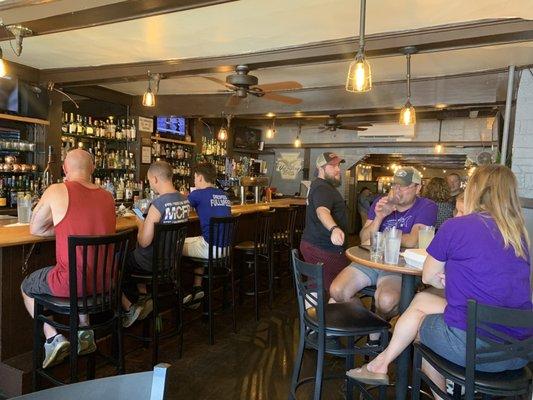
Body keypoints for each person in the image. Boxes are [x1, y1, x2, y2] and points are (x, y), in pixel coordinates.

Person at [347, 165, 532, 398]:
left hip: (475, 348)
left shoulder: (457, 226)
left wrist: (446, 279)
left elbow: (427, 276)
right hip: (519, 351)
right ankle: (379, 364)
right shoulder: (520, 234)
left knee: (418, 330)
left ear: (475, 190)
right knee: (422, 299)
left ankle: (434, 390)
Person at [21, 149, 116, 368]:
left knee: (27, 287)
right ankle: (84, 329)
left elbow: (35, 228)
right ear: (92, 168)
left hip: (71, 285)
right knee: (82, 269)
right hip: (106, 284)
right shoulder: (108, 196)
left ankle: (54, 338)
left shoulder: (57, 190)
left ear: (64, 169)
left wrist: (63, 228)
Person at [330, 166, 437, 345]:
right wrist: (379, 217)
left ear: (418, 188)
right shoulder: (381, 201)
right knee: (337, 291)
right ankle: (373, 326)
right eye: (395, 185)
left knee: (386, 302)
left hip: (398, 266)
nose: (397, 190)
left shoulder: (427, 206)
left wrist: (380, 237)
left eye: (404, 186)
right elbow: (364, 239)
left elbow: (412, 241)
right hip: (372, 261)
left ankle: (376, 330)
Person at [121, 161, 190, 327]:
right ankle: (145, 299)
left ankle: (131, 307)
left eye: (150, 181)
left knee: (115, 262)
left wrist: (139, 223)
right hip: (170, 263)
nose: (151, 184)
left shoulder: (158, 204)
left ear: (155, 179)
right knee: (131, 258)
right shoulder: (184, 200)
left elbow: (144, 242)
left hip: (150, 264)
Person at [182, 162, 231, 306]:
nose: (194, 181)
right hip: (226, 249)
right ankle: (197, 289)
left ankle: (181, 293)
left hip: (210, 248)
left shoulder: (197, 194)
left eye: (195, 178)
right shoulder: (224, 195)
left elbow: (180, 206)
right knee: (198, 240)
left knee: (174, 244)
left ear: (200, 177)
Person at [300, 152, 349, 293]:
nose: (338, 169)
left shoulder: (319, 185)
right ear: (321, 168)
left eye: (338, 165)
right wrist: (334, 228)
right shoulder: (323, 188)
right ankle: (320, 314)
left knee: (316, 285)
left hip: (315, 244)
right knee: (341, 289)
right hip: (324, 249)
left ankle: (313, 314)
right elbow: (322, 211)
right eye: (333, 166)